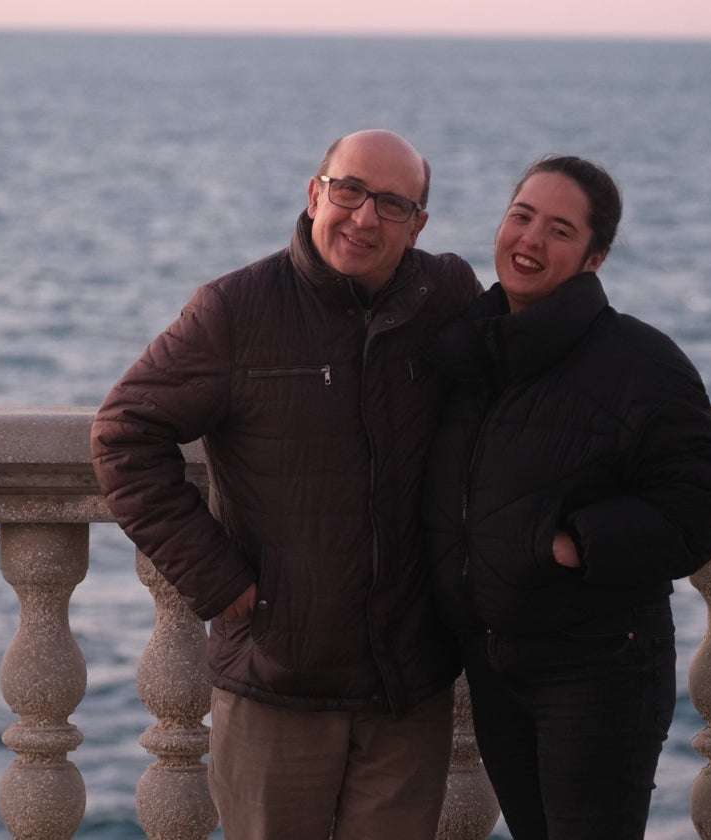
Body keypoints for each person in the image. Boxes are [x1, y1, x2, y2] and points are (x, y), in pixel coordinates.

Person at [90, 129, 480, 840]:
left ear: (418, 225)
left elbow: (517, 395)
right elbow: (123, 434)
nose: (364, 217)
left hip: (409, 686)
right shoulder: (235, 311)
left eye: (392, 204)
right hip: (278, 681)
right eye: (349, 191)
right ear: (314, 194)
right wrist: (220, 581)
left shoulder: (445, 296)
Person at [421, 155, 711, 839]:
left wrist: (576, 543)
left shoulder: (639, 361)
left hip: (598, 672)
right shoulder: (468, 354)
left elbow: (701, 505)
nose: (531, 240)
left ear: (594, 257)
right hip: (495, 666)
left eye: (560, 230)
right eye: (522, 216)